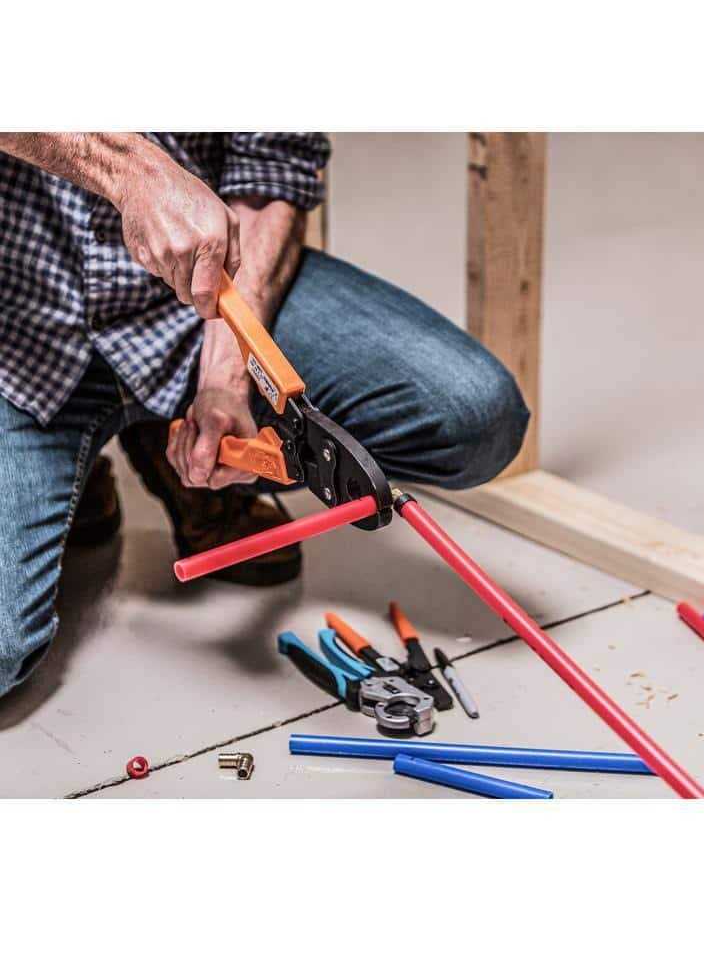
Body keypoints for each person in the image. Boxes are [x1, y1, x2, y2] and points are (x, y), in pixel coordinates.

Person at [0, 133, 529, 698]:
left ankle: (174, 442)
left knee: (473, 414)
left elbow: (274, 167)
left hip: (195, 306)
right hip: (18, 335)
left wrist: (227, 380)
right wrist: (130, 170)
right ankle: (82, 477)